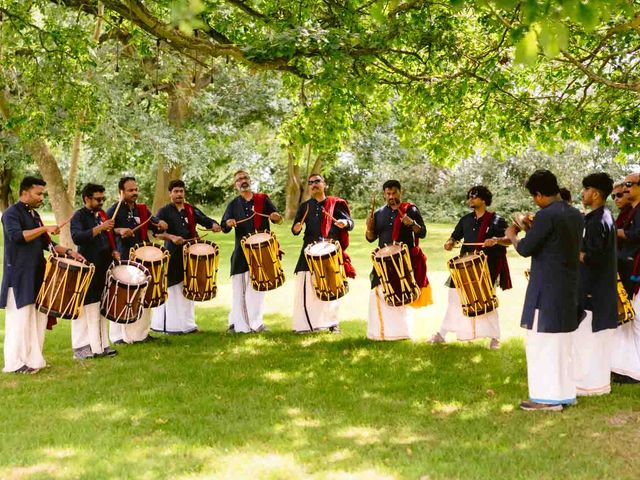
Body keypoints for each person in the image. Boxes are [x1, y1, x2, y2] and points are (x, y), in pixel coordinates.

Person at [505, 169, 584, 411]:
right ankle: (564, 393)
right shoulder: (575, 214)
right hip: (568, 284)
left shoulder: (546, 215)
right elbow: (554, 243)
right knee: (562, 344)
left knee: (542, 343)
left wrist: (513, 235)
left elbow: (526, 248)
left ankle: (545, 399)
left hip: (547, 287)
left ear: (538, 195)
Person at [1, 177, 83, 373]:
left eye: (43, 194)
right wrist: (44, 228)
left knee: (37, 319)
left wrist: (69, 252)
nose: (41, 198)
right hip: (19, 275)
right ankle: (14, 364)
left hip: (38, 273)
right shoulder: (11, 214)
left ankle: (33, 360)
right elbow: (17, 236)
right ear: (25, 192)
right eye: (38, 194)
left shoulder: (34, 214)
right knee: (19, 321)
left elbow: (46, 243)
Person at [431, 186, 511, 349]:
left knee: (486, 301)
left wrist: (496, 240)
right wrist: (450, 242)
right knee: (454, 298)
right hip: (463, 267)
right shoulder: (465, 220)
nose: (470, 200)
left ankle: (495, 338)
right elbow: (454, 237)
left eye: (474, 196)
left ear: (483, 199)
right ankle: (442, 334)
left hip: (485, 267)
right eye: (469, 197)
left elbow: (509, 240)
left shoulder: (496, 220)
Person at [151, 180, 221, 334]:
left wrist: (214, 224)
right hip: (173, 255)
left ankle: (188, 325)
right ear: (170, 194)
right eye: (176, 192)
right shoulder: (164, 211)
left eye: (181, 191)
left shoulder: (190, 209)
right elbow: (157, 233)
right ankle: (170, 326)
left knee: (188, 288)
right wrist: (172, 237)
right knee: (173, 288)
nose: (179, 195)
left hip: (190, 255)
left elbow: (205, 219)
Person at [365, 180, 431, 340]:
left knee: (402, 293)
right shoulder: (379, 213)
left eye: (394, 193)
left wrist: (412, 223)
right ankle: (378, 333)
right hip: (382, 261)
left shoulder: (411, 210)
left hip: (402, 261)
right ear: (384, 194)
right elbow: (370, 239)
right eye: (388, 194)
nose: (391, 196)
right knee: (379, 291)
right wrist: (369, 228)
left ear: (401, 192)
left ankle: (400, 333)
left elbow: (422, 233)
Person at [107, 176, 167, 344]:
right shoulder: (114, 210)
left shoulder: (142, 209)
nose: (134, 193)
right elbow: (106, 231)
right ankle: (118, 336)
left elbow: (153, 223)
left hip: (143, 259)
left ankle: (140, 334)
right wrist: (119, 231)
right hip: (124, 258)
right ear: (121, 192)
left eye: (135, 189)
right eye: (130, 190)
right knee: (121, 297)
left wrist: (160, 223)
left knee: (142, 297)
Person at [291, 173, 355, 333]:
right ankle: (305, 325)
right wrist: (296, 228)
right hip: (309, 251)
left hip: (329, 250)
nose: (314, 184)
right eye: (311, 182)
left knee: (332, 287)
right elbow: (295, 228)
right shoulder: (305, 207)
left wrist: (344, 222)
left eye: (317, 181)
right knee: (306, 286)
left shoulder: (336, 204)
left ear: (324, 184)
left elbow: (351, 223)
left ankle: (332, 324)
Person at [221, 170, 283, 333]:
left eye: (244, 178)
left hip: (262, 252)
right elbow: (223, 226)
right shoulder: (233, 204)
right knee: (239, 291)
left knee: (258, 290)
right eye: (238, 180)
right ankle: (237, 324)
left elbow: (278, 218)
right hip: (242, 254)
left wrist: (276, 217)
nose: (242, 181)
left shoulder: (263, 199)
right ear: (236, 185)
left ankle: (254, 323)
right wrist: (228, 222)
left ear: (250, 180)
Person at [574, 173, 617, 395]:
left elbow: (594, 257)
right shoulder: (604, 216)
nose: (583, 193)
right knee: (595, 340)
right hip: (600, 288)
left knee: (588, 338)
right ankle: (596, 384)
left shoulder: (597, 221)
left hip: (593, 290)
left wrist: (574, 253)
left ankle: (588, 386)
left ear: (596, 193)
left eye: (585, 189)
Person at [70, 183, 120, 360]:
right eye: (98, 199)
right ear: (87, 199)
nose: (101, 202)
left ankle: (101, 345)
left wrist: (113, 250)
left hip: (103, 266)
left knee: (101, 305)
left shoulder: (102, 215)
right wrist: (101, 227)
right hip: (88, 266)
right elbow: (77, 237)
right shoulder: (79, 216)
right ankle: (81, 347)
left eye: (103, 199)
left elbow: (109, 235)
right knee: (86, 307)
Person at [611, 172, 640, 383]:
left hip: (637, 272)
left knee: (637, 320)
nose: (625, 188)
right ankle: (626, 368)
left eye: (629, 184)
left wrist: (614, 231)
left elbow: (636, 235)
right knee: (629, 320)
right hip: (627, 270)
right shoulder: (632, 211)